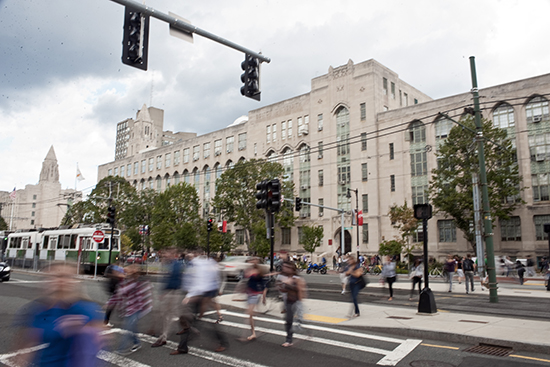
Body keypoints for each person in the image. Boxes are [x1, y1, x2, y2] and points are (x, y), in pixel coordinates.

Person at [13, 263, 104, 367]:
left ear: (74, 281)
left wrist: (83, 330)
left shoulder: (87, 309)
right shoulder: (39, 309)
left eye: (66, 276)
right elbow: (27, 344)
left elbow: (98, 340)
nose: (60, 281)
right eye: (55, 276)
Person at [108, 264, 152, 355]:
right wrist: (109, 303)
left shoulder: (134, 282)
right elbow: (118, 294)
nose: (124, 272)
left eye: (127, 271)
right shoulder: (126, 281)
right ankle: (137, 343)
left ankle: (121, 349)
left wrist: (121, 277)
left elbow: (123, 291)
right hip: (128, 309)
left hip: (136, 309)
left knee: (128, 328)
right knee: (132, 328)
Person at [151, 247, 184, 348]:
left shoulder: (176, 265)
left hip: (172, 292)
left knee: (167, 315)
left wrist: (164, 292)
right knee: (165, 314)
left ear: (173, 254)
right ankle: (163, 334)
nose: (165, 255)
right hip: (168, 292)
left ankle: (163, 337)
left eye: (167, 253)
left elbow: (173, 280)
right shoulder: (167, 264)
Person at [244, 257, 267, 341]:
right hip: (249, 293)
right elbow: (245, 281)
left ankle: (252, 333)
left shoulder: (258, 271)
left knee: (250, 313)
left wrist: (263, 297)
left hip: (255, 294)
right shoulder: (248, 270)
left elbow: (264, 285)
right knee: (250, 314)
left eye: (254, 260)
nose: (252, 261)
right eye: (251, 260)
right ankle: (252, 332)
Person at [104, 260, 125, 327]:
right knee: (112, 305)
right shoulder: (117, 268)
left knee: (113, 304)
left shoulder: (115, 268)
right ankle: (106, 321)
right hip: (116, 288)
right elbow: (119, 275)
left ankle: (106, 320)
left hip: (115, 288)